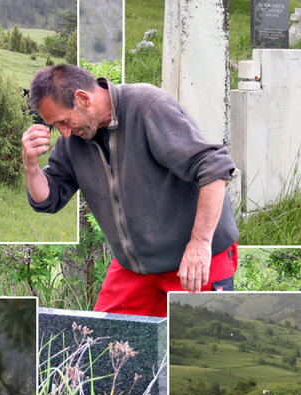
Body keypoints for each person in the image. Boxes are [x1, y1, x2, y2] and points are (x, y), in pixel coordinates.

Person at [22, 64, 239, 318]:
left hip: (192, 261)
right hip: (135, 267)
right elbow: (49, 198)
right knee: (99, 345)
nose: (64, 132)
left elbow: (214, 169)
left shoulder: (147, 106)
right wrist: (31, 166)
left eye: (64, 121)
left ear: (83, 98)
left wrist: (200, 244)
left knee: (195, 350)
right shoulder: (74, 140)